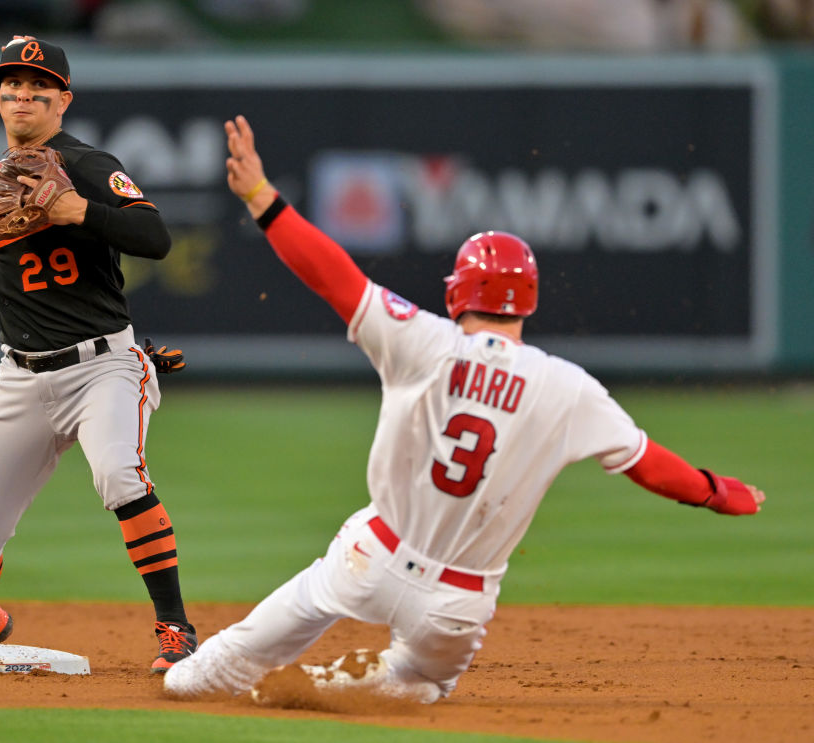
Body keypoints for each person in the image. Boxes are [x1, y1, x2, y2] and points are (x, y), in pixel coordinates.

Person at [163, 115, 765, 703]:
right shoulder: (568, 387)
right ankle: (339, 685)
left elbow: (335, 277)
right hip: (457, 602)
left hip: (369, 559)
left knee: (199, 676)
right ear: (527, 302)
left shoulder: (423, 339)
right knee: (423, 685)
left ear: (458, 291)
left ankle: (223, 675)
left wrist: (263, 198)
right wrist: (716, 491)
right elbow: (647, 463)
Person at [0, 36, 197, 674]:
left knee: (120, 475)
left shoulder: (86, 164)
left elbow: (155, 237)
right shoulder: (5, 175)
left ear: (63, 101)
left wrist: (79, 209)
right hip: (22, 376)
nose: (23, 97)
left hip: (102, 367)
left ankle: (176, 628)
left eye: (40, 88)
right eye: (12, 86)